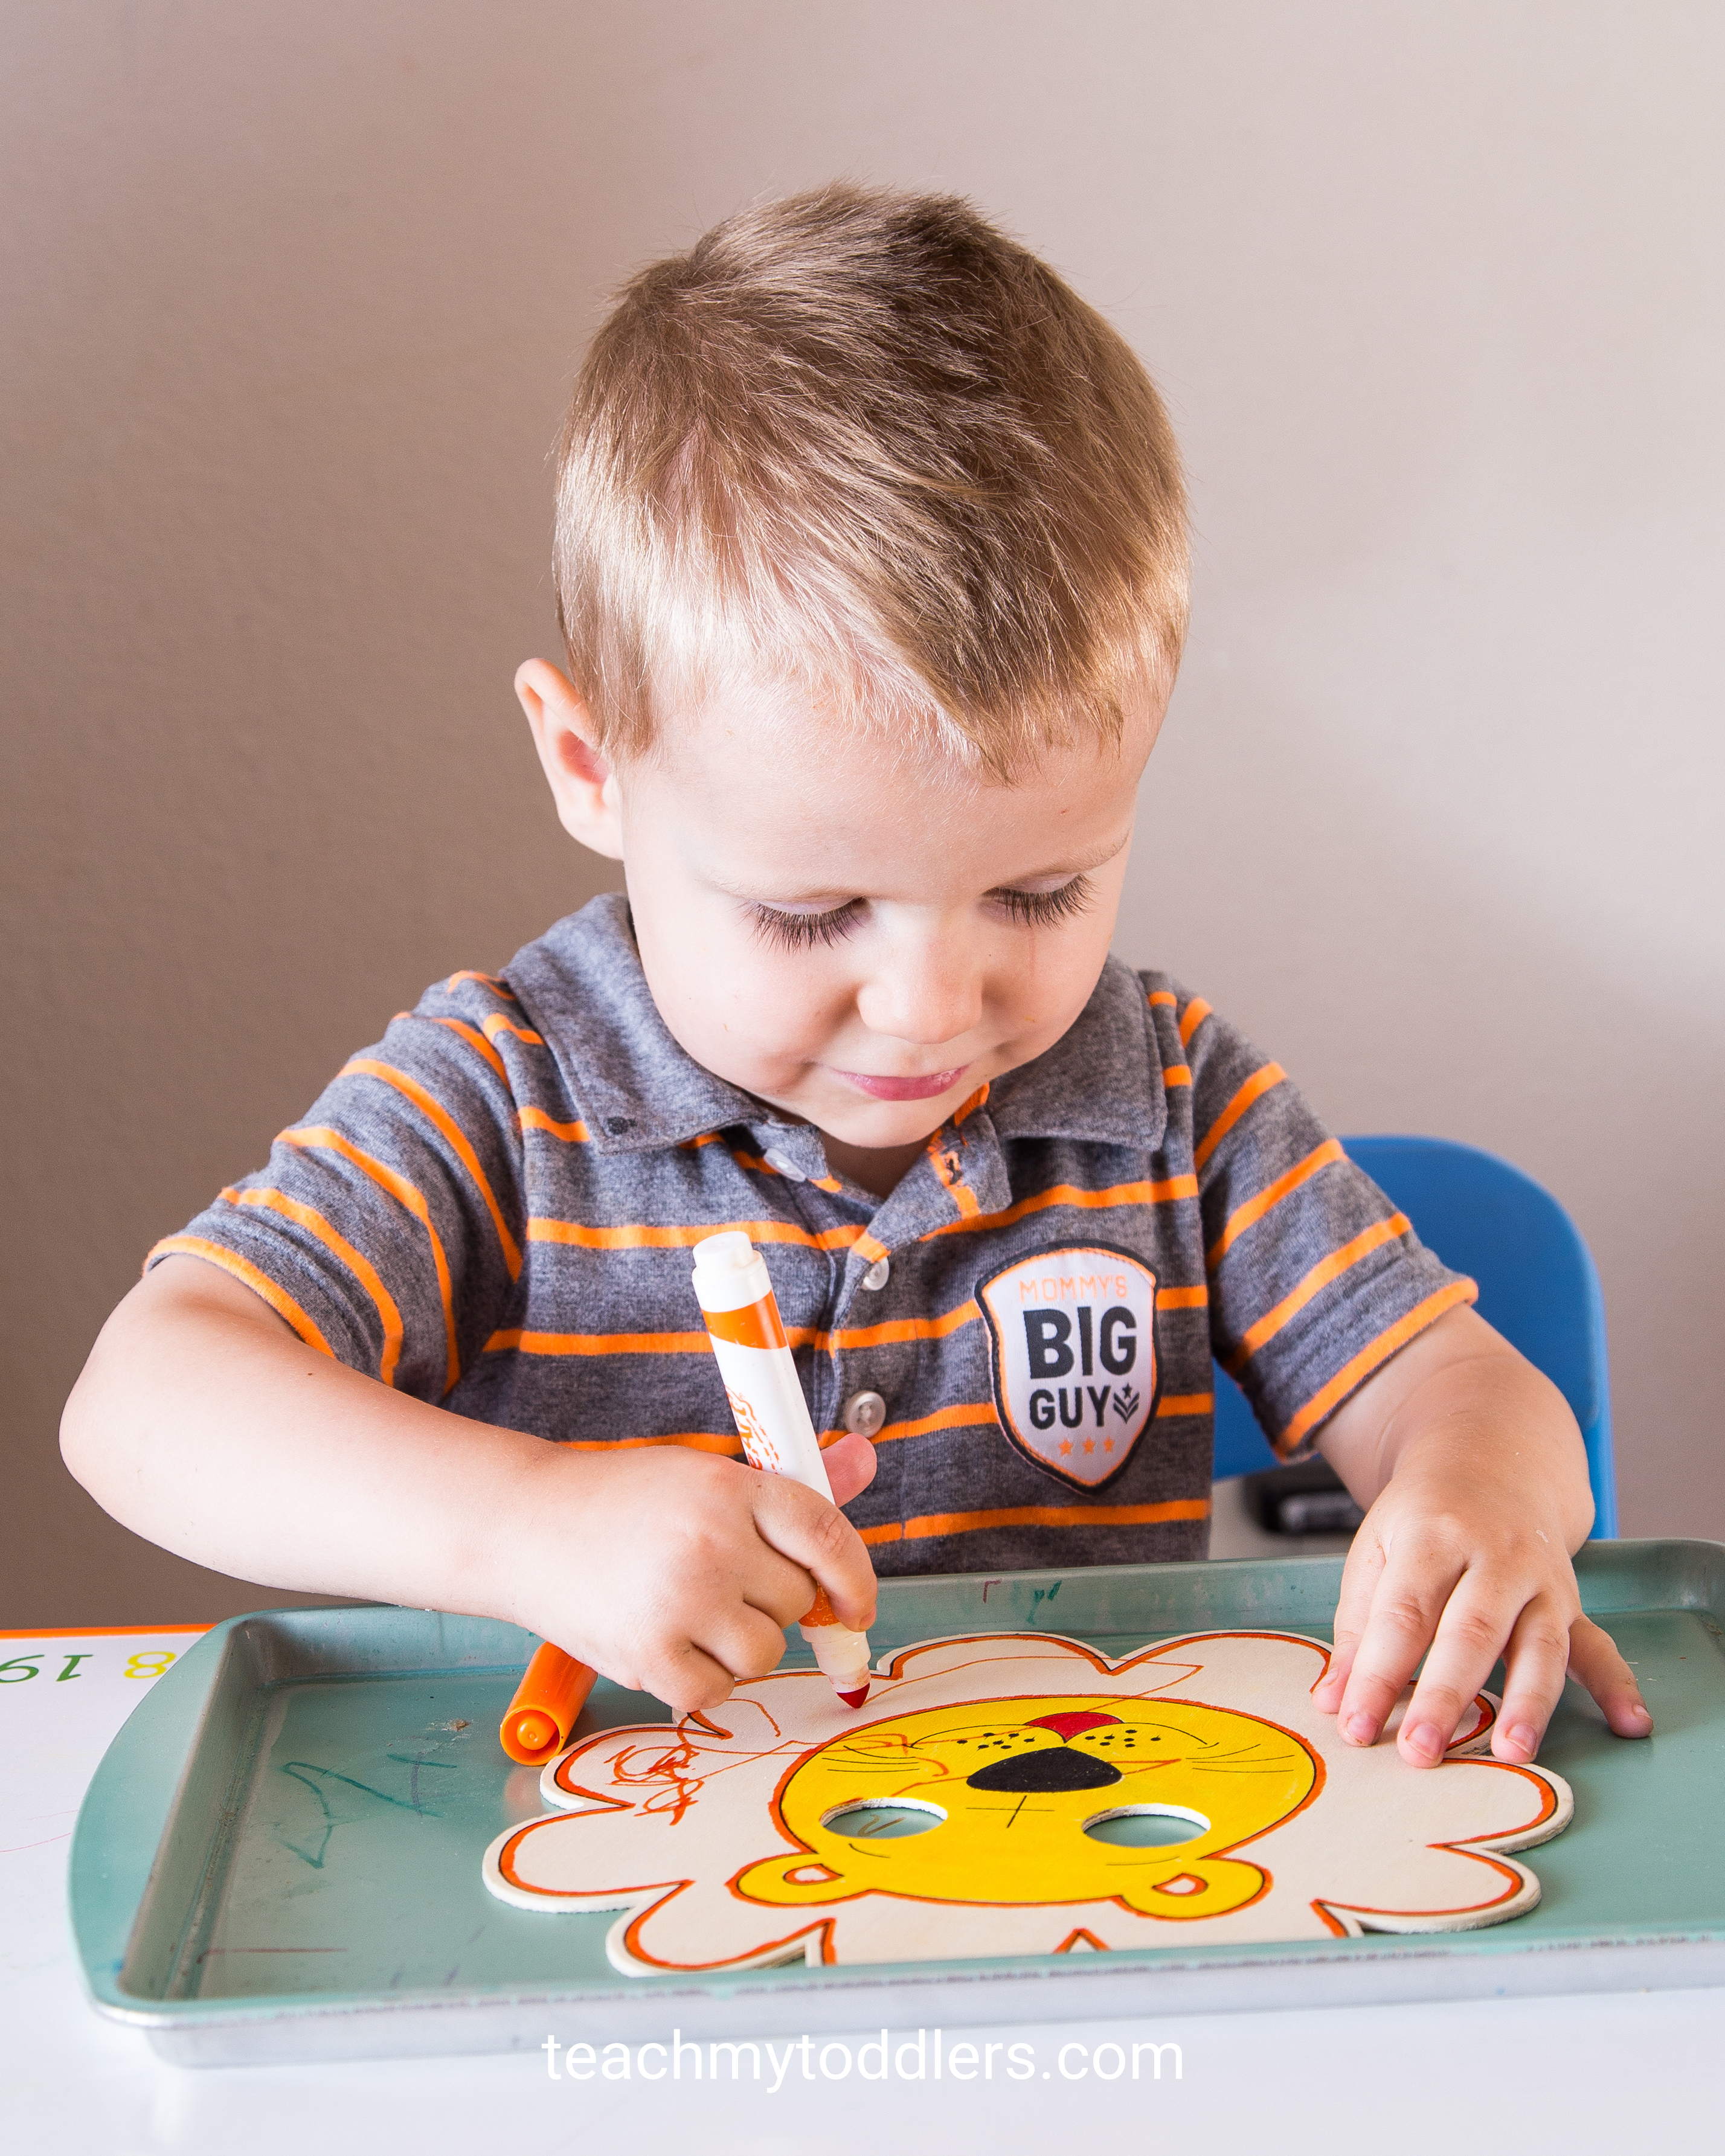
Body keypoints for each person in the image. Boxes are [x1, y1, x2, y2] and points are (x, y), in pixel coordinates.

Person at [61, 185, 1650, 1769]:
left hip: (1073, 1870)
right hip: (610, 1900)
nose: (933, 1004)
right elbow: (144, 1398)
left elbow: (1454, 1381)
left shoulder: (1166, 1104)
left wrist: (1483, 1492)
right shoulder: (507, 1095)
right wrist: (529, 1524)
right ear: (589, 763)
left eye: (1040, 888)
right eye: (817, 911)